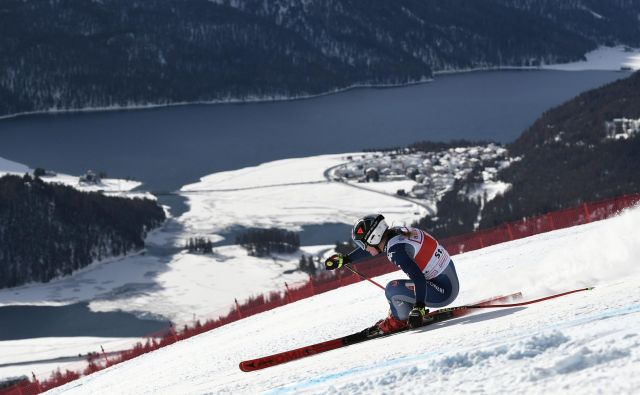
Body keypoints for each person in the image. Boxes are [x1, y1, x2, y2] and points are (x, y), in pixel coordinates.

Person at [324, 214, 459, 334]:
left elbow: (418, 278)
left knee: (392, 289)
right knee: (397, 289)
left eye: (363, 244)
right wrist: (346, 259)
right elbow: (374, 247)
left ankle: (399, 320)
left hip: (443, 292)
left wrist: (419, 308)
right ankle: (401, 311)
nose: (363, 248)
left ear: (374, 237)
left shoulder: (396, 252)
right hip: (447, 280)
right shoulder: (396, 233)